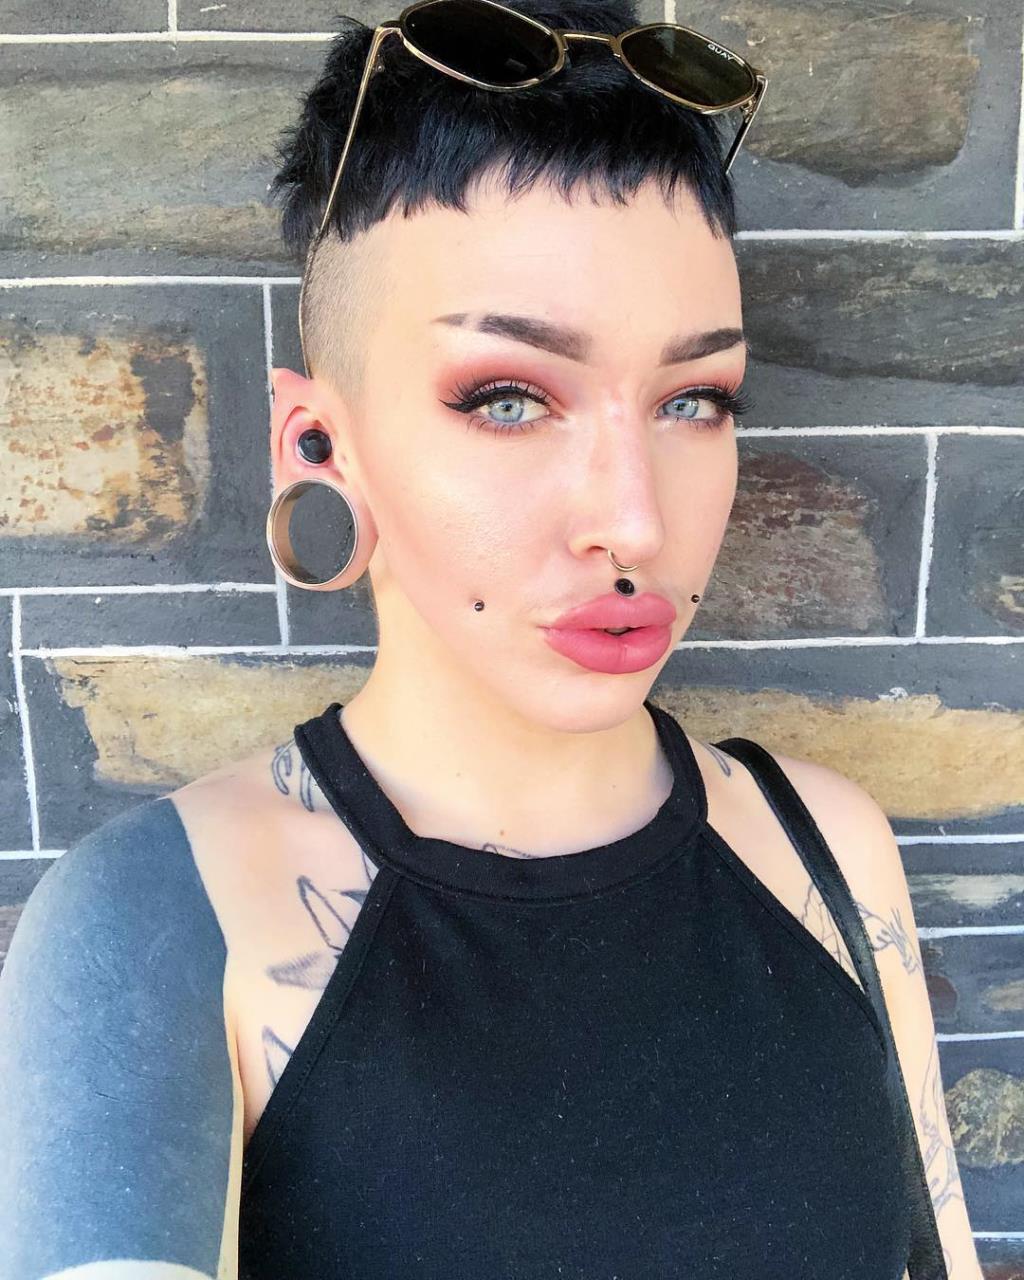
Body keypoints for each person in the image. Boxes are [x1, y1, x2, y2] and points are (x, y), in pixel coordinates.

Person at [0, 1, 980, 1278]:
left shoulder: (829, 851)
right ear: (319, 441)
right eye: (509, 399)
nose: (634, 519)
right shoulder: (164, 920)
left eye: (695, 399)